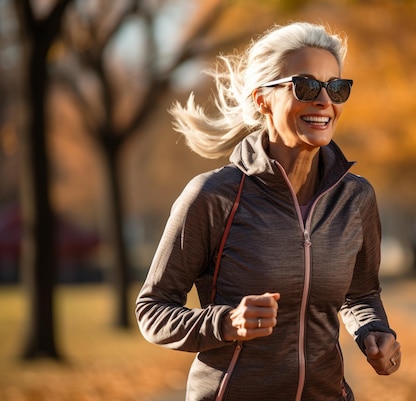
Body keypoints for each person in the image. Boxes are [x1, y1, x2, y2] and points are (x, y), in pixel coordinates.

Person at [135, 21, 401, 401]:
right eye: (306, 86)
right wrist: (225, 322)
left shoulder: (355, 198)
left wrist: (374, 330)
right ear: (263, 99)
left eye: (336, 88)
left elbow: (361, 294)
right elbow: (153, 309)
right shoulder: (214, 196)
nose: (324, 101)